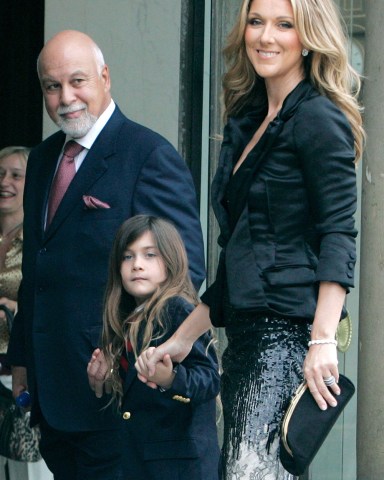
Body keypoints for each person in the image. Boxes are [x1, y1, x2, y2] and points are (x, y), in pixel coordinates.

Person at [131, 0, 365, 478]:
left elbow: (338, 232)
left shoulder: (319, 118)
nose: (266, 37)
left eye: (284, 25)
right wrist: (180, 341)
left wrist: (323, 340)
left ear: (308, 37)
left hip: (285, 340)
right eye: (256, 22)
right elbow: (239, 259)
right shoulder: (248, 119)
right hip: (244, 342)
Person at [6, 30, 205, 480]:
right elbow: (38, 268)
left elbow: (185, 268)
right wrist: (22, 359)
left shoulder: (148, 155)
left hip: (118, 398)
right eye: (52, 87)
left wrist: (130, 362)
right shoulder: (41, 160)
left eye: (78, 81)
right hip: (51, 392)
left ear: (105, 77)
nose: (66, 98)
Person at [95, 214, 220, 479]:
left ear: (171, 260)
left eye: (150, 255)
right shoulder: (127, 317)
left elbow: (209, 380)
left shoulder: (179, 310)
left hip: (180, 467)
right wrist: (104, 377)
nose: (137, 265)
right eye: (127, 257)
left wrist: (170, 378)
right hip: (142, 463)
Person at [0, 146, 53, 480]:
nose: (5, 181)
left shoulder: (43, 237)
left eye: (16, 175)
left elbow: (47, 296)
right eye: (0, 173)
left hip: (17, 372)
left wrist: (8, 308)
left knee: (28, 473)